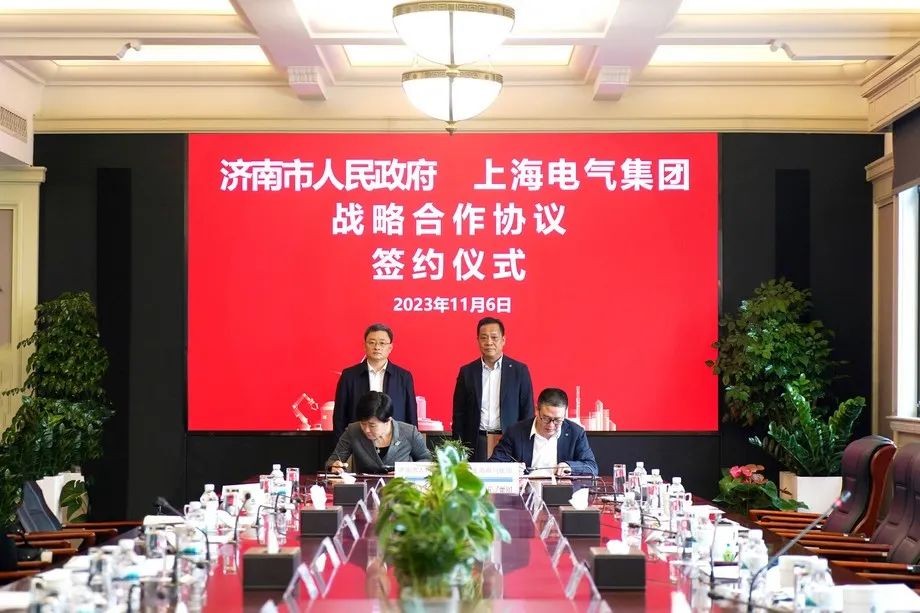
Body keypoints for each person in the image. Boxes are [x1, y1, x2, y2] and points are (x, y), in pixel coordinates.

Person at [452, 316, 534, 461]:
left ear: (503, 340)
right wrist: (458, 449)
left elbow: (527, 412)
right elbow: (459, 414)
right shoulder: (467, 372)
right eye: (484, 338)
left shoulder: (519, 371)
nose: (489, 342)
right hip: (476, 441)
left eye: (494, 337)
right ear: (478, 340)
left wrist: (524, 446)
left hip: (509, 442)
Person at [333, 323, 417, 438]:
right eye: (372, 342)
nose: (377, 347)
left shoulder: (404, 377)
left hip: (395, 442)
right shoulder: (349, 376)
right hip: (358, 441)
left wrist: (411, 443)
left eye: (382, 343)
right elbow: (339, 416)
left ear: (390, 347)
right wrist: (342, 446)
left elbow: (411, 416)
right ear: (364, 346)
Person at [489, 387, 598, 477]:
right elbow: (493, 464)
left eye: (558, 420)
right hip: (525, 492)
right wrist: (510, 469)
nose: (551, 425)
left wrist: (570, 467)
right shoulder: (515, 432)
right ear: (537, 410)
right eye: (546, 418)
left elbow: (592, 467)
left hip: (563, 492)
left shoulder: (576, 433)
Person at [327, 391, 431, 474]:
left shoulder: (409, 432)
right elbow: (332, 461)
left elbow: (427, 461)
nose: (366, 430)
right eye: (363, 424)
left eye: (372, 425)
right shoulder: (353, 431)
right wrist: (334, 466)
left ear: (388, 420)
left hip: (400, 489)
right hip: (365, 490)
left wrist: (405, 471)